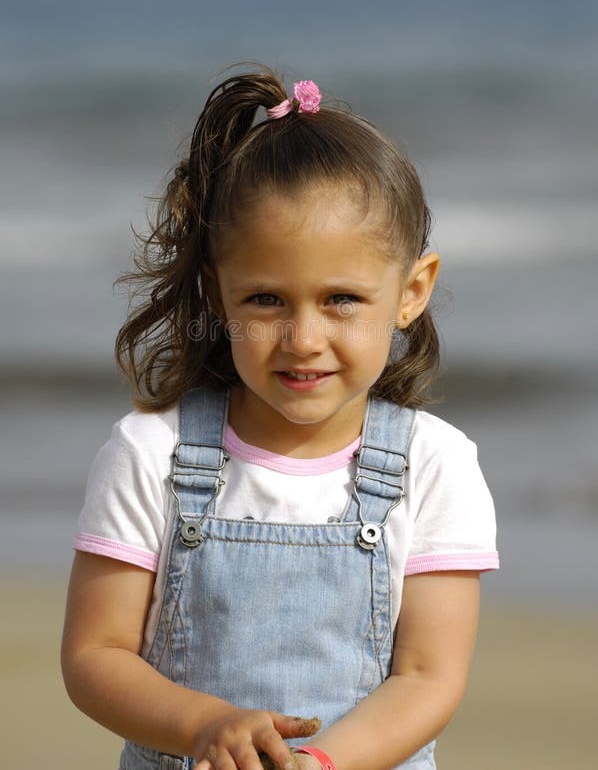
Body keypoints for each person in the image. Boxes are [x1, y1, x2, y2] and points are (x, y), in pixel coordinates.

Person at [61, 66, 499, 770]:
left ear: (413, 291)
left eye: (342, 300)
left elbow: (428, 677)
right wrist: (205, 725)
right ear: (217, 291)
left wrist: (318, 763)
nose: (302, 338)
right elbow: (94, 655)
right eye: (266, 300)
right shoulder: (150, 452)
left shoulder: (436, 464)